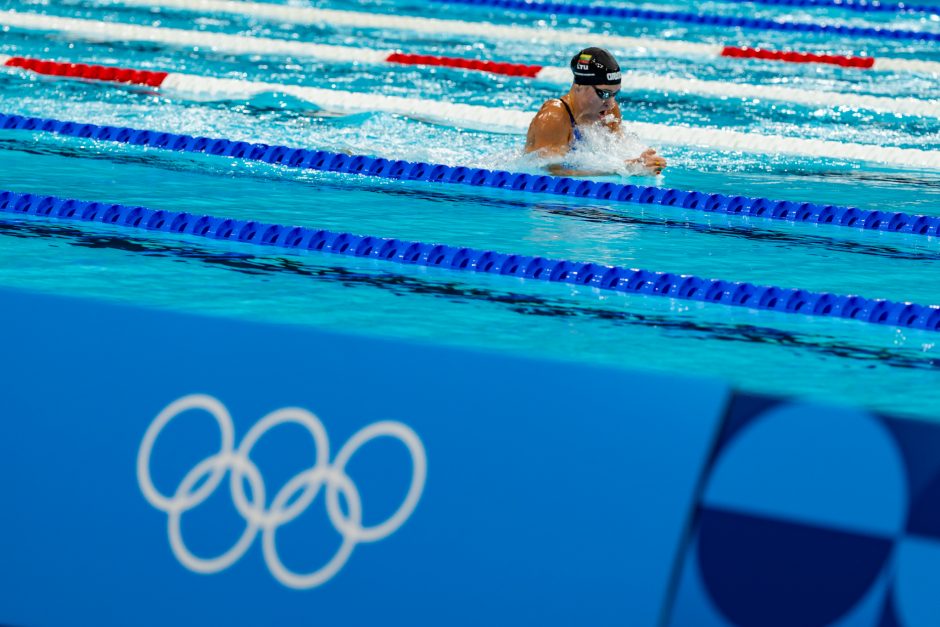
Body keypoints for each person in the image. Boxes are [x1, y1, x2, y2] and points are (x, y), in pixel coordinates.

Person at [525, 47, 666, 177]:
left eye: (615, 94)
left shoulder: (608, 111)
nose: (610, 103)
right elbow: (550, 172)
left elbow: (618, 151)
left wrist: (643, 163)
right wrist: (622, 169)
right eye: (604, 94)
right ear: (580, 86)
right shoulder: (554, 116)